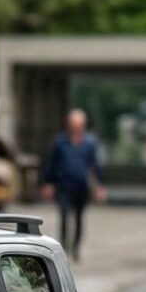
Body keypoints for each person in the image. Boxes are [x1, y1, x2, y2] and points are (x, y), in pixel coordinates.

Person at [39, 109, 103, 261]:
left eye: (79, 124)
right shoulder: (60, 142)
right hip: (64, 185)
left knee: (79, 217)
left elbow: (94, 165)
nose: (76, 127)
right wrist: (48, 183)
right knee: (64, 216)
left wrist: (99, 185)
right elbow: (52, 164)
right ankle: (64, 247)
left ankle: (76, 247)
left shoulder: (89, 144)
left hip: (81, 186)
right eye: (74, 124)